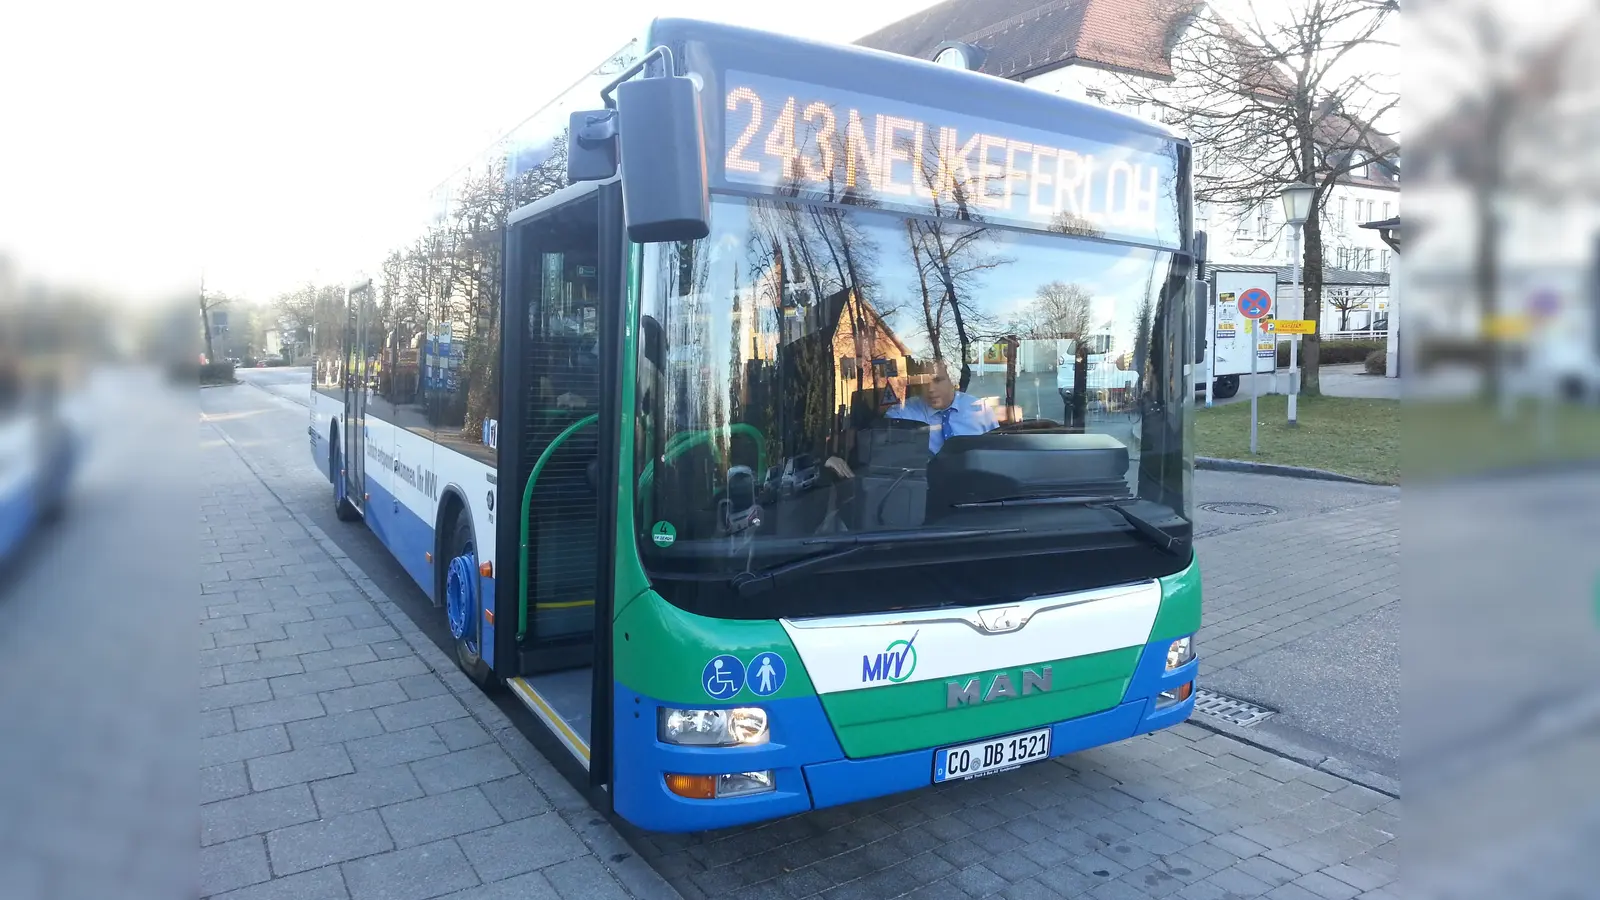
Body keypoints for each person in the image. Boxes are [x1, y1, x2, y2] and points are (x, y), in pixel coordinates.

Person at [886, 360, 999, 454]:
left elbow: (996, 455)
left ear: (952, 380)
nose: (930, 389)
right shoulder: (901, 415)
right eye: (925, 381)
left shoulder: (981, 409)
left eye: (938, 380)